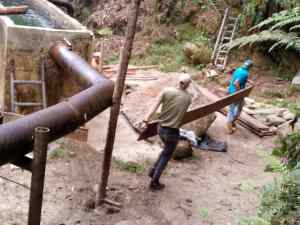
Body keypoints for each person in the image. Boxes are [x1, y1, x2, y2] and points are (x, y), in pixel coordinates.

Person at [143, 74, 192, 191]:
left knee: (165, 151)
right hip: (172, 132)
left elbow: (155, 106)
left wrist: (146, 119)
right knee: (166, 156)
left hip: (160, 129)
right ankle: (154, 183)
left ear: (178, 81)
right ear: (187, 85)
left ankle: (152, 171)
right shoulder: (188, 98)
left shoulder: (166, 91)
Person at [226, 59, 254, 134]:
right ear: (250, 67)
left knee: (238, 107)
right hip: (236, 94)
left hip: (231, 91)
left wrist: (248, 81)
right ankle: (229, 128)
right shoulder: (245, 73)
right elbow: (236, 83)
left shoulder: (239, 69)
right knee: (233, 110)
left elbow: (235, 78)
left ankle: (231, 122)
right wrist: (240, 93)